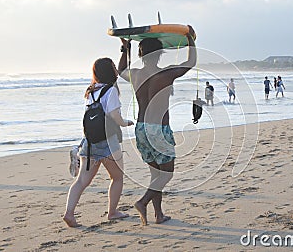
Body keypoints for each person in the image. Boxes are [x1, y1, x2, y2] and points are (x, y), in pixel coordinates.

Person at [119, 27, 196, 225]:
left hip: (141, 128)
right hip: (158, 129)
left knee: (156, 173)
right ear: (161, 53)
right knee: (167, 173)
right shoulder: (166, 74)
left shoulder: (135, 74)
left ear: (140, 54)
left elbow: (120, 71)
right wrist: (191, 41)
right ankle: (143, 202)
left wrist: (124, 49)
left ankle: (159, 214)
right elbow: (190, 62)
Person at [63, 58, 134, 227]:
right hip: (108, 142)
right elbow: (114, 116)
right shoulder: (111, 91)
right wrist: (126, 123)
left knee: (81, 181)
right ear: (109, 71)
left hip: (89, 142)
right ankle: (112, 212)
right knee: (117, 178)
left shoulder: (90, 91)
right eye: (114, 67)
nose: (116, 69)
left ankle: (69, 213)